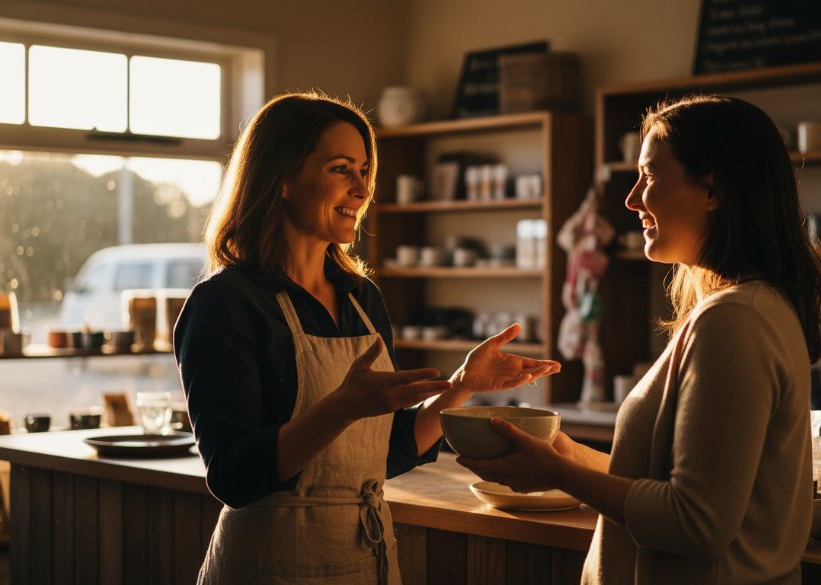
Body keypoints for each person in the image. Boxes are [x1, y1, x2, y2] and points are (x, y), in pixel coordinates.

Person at [174, 91, 561, 585]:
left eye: (363, 171)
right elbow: (232, 476)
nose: (361, 189)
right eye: (340, 168)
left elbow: (385, 452)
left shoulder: (361, 298)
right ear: (282, 179)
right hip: (269, 563)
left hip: (367, 559)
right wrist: (340, 407)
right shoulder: (227, 302)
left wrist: (462, 385)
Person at [458, 95, 821, 585]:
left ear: (713, 189)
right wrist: (569, 456)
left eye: (649, 177)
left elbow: (694, 524)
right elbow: (677, 483)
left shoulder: (734, 320)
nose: (631, 199)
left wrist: (557, 475)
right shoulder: (753, 308)